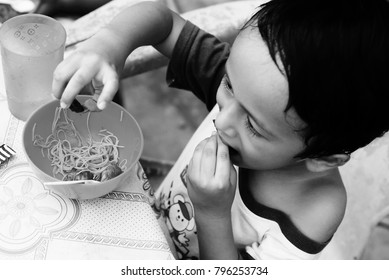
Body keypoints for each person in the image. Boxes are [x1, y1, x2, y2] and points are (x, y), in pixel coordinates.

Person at [51, 0, 389, 259]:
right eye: (227, 83)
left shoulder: (312, 215)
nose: (222, 120)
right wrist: (108, 45)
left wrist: (212, 213)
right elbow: (163, 21)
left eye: (254, 128)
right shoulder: (253, 87)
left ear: (324, 158)